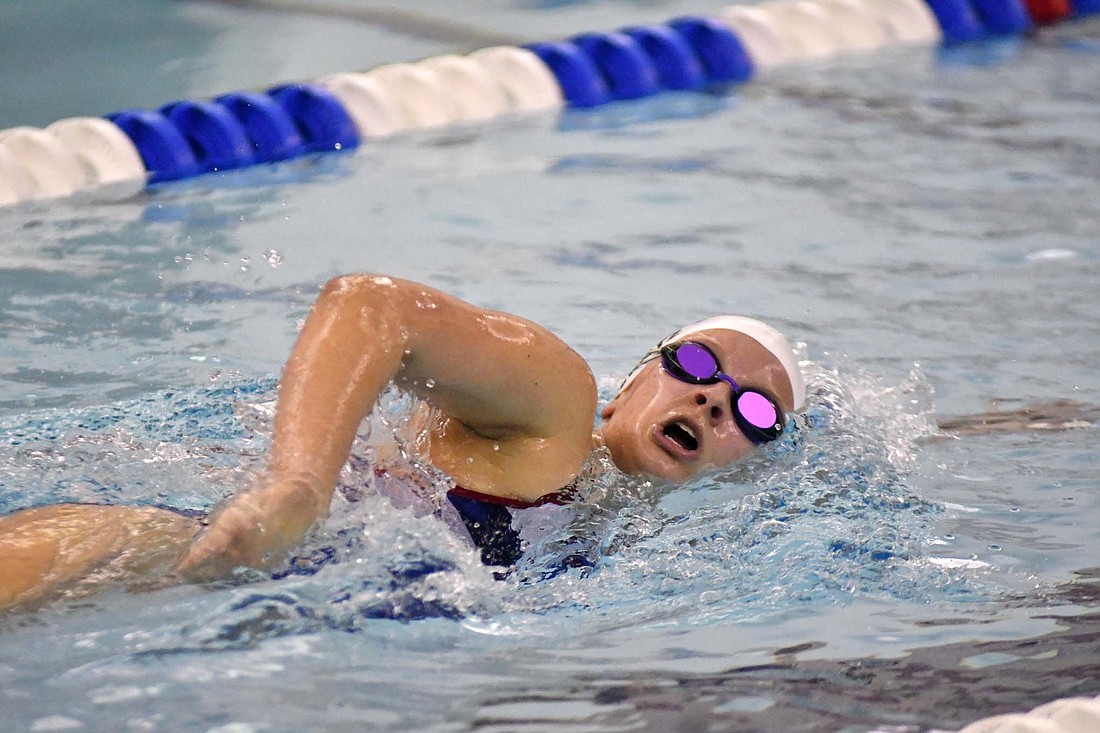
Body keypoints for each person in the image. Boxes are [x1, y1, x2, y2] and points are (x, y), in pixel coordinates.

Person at [0, 273, 804, 610]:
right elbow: (369, 307)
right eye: (697, 362)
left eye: (756, 413)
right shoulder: (558, 405)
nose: (712, 397)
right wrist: (296, 488)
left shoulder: (630, 537)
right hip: (209, 533)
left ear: (746, 466)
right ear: (633, 382)